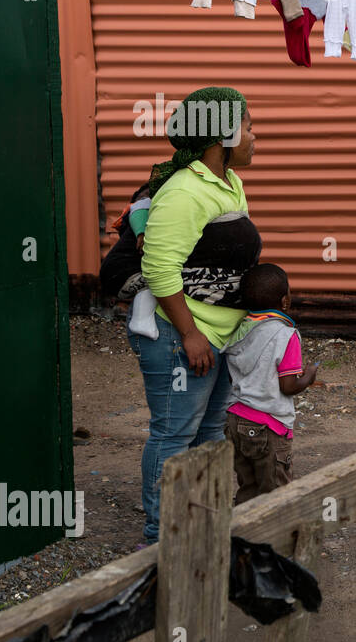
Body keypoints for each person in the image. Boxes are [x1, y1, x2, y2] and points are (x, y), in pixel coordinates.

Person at [129, 86, 261, 543]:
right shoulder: (185, 190)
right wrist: (189, 334)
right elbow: (160, 268)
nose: (255, 134)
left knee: (209, 435)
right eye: (247, 125)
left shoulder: (227, 182)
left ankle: (198, 530)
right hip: (179, 335)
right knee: (173, 435)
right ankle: (159, 540)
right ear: (220, 136)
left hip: (220, 336)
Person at [222, 263, 317, 504]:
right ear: (285, 300)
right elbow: (288, 386)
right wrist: (308, 376)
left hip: (234, 420)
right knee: (275, 495)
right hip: (269, 425)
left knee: (248, 487)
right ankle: (274, 539)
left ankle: (241, 535)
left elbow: (233, 376)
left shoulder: (238, 328)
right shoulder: (285, 335)